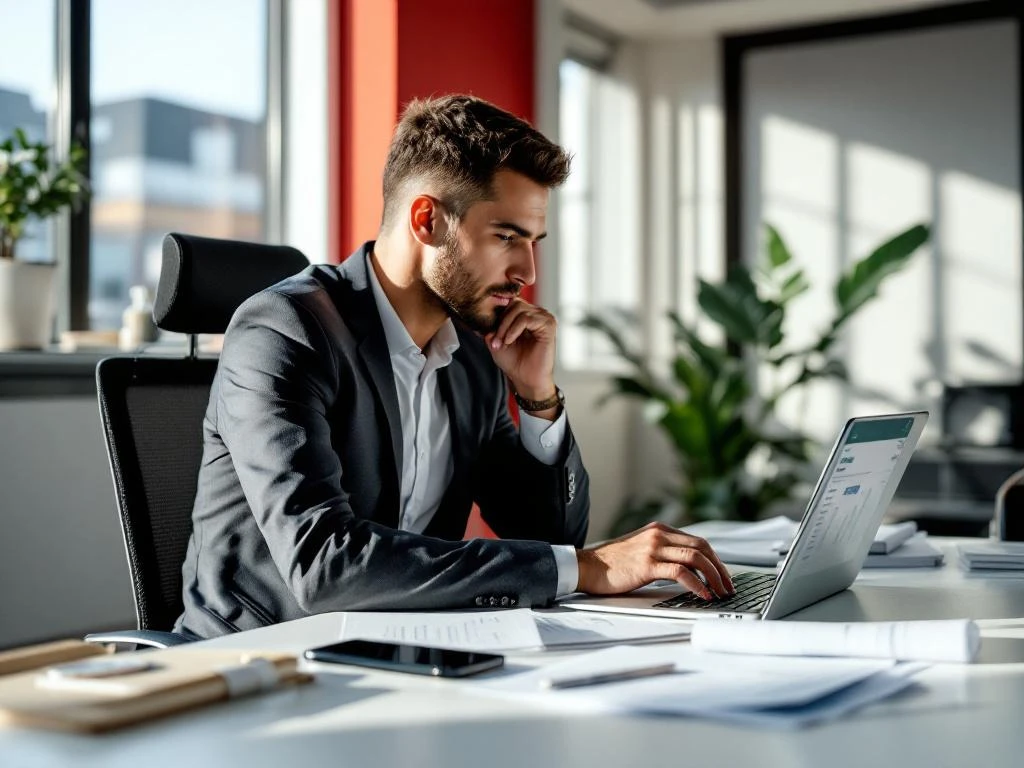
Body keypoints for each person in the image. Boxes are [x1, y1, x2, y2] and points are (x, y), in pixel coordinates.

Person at [174, 95, 734, 638]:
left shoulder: (470, 357)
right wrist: (584, 568)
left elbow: (552, 539)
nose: (527, 271)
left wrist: (537, 396)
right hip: (258, 660)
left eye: (534, 242)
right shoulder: (284, 331)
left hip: (411, 649)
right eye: (507, 237)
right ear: (427, 220)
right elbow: (325, 564)